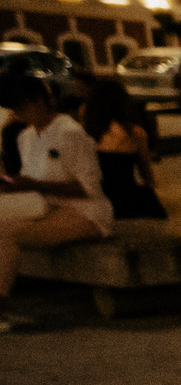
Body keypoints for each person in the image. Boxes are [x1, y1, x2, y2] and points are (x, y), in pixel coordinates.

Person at [0, 73, 112, 314]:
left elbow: (89, 188)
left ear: (39, 101)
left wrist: (35, 185)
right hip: (43, 208)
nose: (16, 115)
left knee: (6, 232)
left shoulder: (69, 132)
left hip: (85, 213)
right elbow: (30, 180)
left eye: (20, 108)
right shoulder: (25, 137)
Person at [82, 78, 165, 222]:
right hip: (129, 200)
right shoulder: (135, 133)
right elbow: (147, 175)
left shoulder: (84, 133)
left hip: (99, 199)